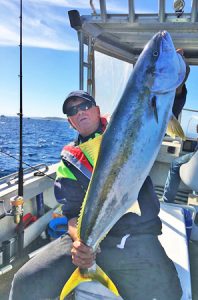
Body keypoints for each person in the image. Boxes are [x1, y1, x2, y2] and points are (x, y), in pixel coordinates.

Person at [9, 91, 182, 300]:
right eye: (72, 110)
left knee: (168, 295)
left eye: (85, 106)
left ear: (97, 110)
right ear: (70, 122)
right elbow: (72, 212)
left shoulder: (126, 127)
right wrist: (81, 246)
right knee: (25, 282)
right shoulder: (69, 161)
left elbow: (160, 110)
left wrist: (176, 84)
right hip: (87, 234)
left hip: (135, 235)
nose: (80, 112)